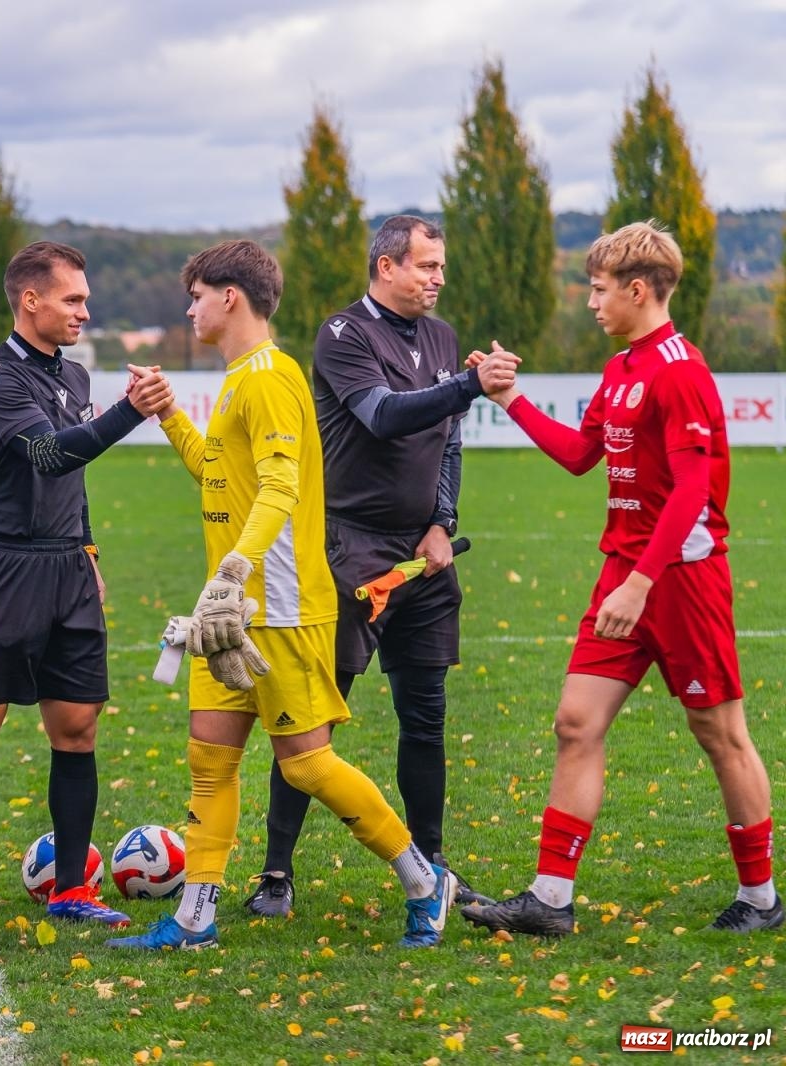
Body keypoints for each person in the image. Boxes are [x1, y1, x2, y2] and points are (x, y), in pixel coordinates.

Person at [105, 239, 458, 951]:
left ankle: (425, 881)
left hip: (280, 606)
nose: (190, 308)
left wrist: (234, 573)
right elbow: (217, 470)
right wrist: (168, 413)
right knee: (211, 759)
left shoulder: (269, 377)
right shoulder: (243, 376)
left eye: (197, 295)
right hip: (229, 610)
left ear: (230, 296)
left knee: (306, 764)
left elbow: (280, 488)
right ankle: (194, 918)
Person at [462, 221, 780, 936]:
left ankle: (761, 899)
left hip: (681, 581)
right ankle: (549, 900)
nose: (590, 302)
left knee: (719, 732)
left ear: (639, 291)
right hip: (624, 577)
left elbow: (693, 490)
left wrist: (641, 583)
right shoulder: (622, 369)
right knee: (576, 724)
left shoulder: (680, 371)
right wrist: (508, 399)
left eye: (599, 290)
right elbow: (580, 455)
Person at [244, 215, 515, 918]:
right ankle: (276, 874)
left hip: (421, 555)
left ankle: (433, 869)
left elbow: (447, 445)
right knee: (313, 719)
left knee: (424, 715)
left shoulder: (444, 337)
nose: (437, 279)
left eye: (441, 267)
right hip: (347, 548)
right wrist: (469, 385)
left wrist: (441, 522)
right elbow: (384, 416)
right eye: (426, 266)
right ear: (386, 267)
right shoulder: (343, 335)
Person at [0, 241, 173, 930]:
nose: (84, 312)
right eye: (72, 299)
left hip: (67, 568)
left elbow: (74, 476)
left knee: (78, 729)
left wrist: (87, 544)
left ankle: (70, 892)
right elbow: (46, 453)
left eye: (85, 299)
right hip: (4, 570)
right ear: (30, 300)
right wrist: (129, 412)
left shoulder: (76, 376)